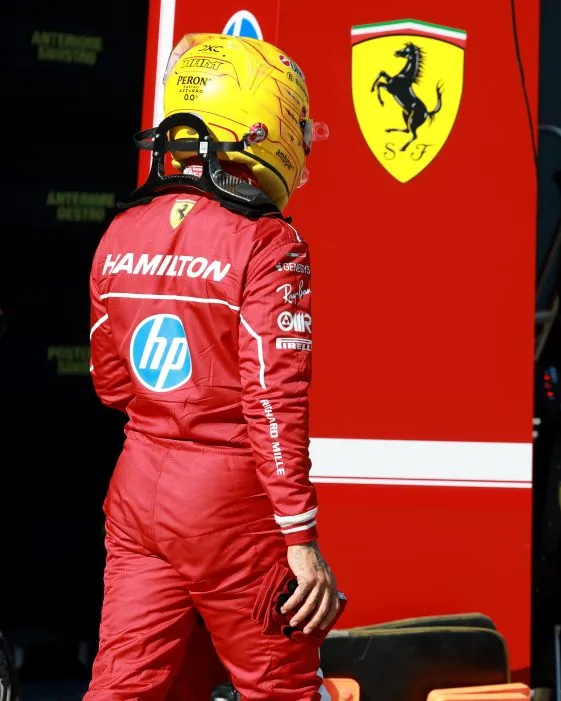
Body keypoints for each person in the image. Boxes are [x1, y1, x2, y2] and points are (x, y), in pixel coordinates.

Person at [84, 32, 339, 700]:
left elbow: (111, 383)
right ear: (261, 126)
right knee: (280, 687)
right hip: (233, 507)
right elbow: (272, 399)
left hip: (138, 495)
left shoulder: (119, 232)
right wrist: (299, 536)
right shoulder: (268, 242)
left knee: (126, 686)